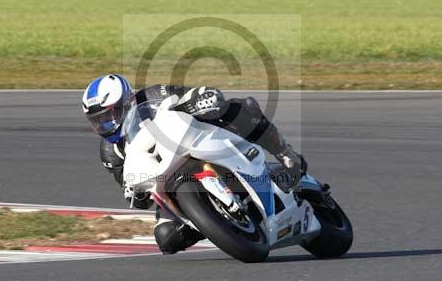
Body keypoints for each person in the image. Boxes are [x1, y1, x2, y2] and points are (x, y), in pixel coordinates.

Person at [81, 74, 306, 254]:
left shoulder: (154, 94)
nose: (105, 124)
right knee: (167, 237)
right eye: (98, 120)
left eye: (109, 115)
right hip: (169, 181)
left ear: (127, 101)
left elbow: (195, 95)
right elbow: (133, 191)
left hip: (197, 139)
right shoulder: (110, 152)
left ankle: (285, 153)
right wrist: (135, 191)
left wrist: (201, 99)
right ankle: (215, 222)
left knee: (238, 109)